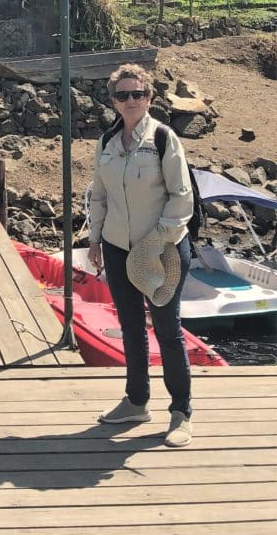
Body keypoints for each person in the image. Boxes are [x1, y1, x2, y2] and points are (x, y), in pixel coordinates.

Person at [87, 63, 194, 448]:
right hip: (117, 248)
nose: (130, 100)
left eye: (138, 94)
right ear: (114, 101)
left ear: (149, 98)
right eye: (123, 95)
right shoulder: (106, 143)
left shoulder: (164, 139)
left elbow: (183, 198)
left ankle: (181, 411)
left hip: (163, 250)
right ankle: (136, 401)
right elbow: (98, 195)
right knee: (131, 327)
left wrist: (158, 239)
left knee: (167, 328)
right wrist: (95, 239)